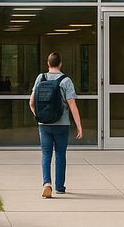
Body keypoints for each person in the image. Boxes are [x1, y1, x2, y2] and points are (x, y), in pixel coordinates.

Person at [29, 52, 83, 198]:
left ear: (48, 63)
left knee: (46, 154)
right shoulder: (66, 81)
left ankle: (47, 183)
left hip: (44, 124)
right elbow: (72, 105)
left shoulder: (40, 78)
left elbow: (31, 103)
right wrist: (79, 125)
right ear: (60, 64)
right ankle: (59, 186)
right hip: (62, 124)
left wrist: (38, 116)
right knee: (60, 154)